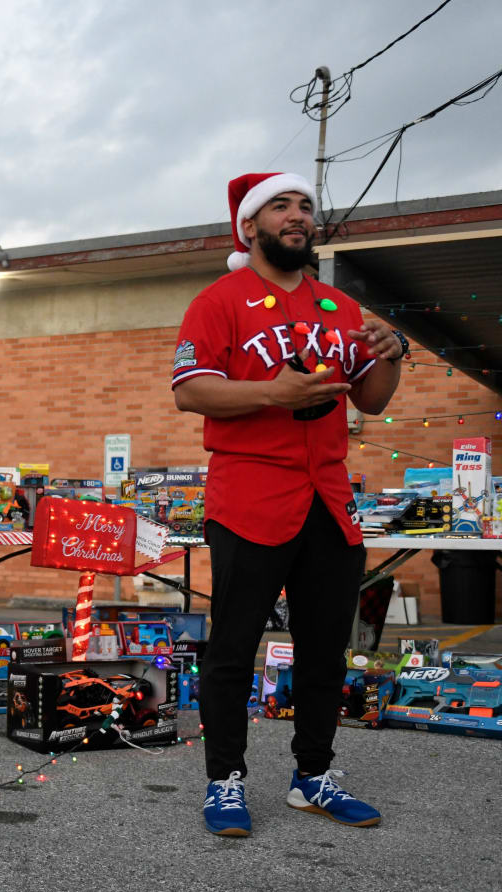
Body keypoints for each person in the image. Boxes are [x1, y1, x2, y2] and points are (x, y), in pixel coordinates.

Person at [171, 172, 406, 837]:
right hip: (249, 496)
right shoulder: (221, 301)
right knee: (233, 647)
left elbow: (373, 399)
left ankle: (313, 777)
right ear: (250, 226)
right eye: (281, 206)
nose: (297, 215)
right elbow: (190, 391)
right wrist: (273, 395)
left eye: (305, 204)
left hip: (329, 499)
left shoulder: (338, 307)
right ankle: (224, 782)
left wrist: (392, 353)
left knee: (326, 650)